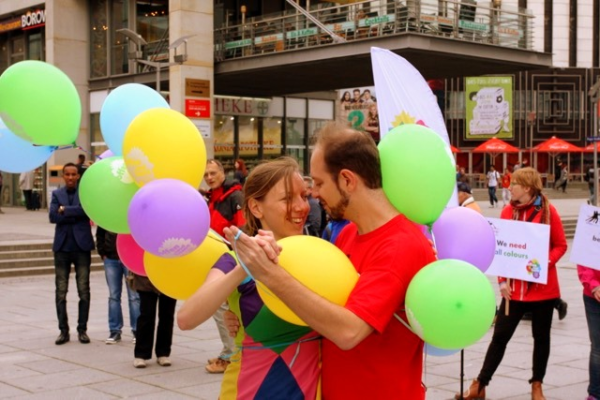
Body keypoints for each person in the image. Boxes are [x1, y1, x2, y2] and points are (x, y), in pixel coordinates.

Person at [224, 122, 436, 399]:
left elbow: (348, 331)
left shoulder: (400, 244)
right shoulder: (348, 234)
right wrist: (248, 313)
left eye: (319, 182)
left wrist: (270, 276)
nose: (313, 194)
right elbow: (317, 303)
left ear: (347, 180)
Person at [178, 157, 320, 399]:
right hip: (248, 390)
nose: (301, 207)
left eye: (304, 196)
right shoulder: (234, 260)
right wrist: (246, 266)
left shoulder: (321, 255)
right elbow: (186, 318)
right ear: (256, 207)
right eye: (287, 198)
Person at [455, 167, 567, 400]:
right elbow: (502, 249)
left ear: (526, 187)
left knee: (541, 338)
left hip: (543, 290)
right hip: (514, 291)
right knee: (500, 337)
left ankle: (537, 385)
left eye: (514, 183)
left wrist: (544, 262)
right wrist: (502, 281)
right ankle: (481, 384)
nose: (509, 187)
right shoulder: (507, 211)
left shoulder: (549, 211)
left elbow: (560, 245)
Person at [203, 159, 245, 373]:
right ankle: (229, 349)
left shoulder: (233, 196)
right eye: (206, 175)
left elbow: (243, 226)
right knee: (223, 307)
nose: (209, 177)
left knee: (222, 306)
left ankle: (231, 353)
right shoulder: (215, 197)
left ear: (222, 172)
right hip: (219, 257)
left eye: (212, 173)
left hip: (230, 257)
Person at [49, 163, 95, 345]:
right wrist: (73, 213)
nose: (70, 177)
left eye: (73, 174)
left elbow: (87, 211)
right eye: (67, 174)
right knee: (61, 291)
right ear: (63, 176)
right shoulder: (56, 194)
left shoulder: (85, 193)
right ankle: (63, 331)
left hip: (81, 247)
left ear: (78, 176)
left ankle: (82, 330)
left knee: (84, 291)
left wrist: (65, 210)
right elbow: (53, 216)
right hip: (62, 249)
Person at [96, 226, 140, 344]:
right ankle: (115, 330)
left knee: (134, 296)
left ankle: (137, 330)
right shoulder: (109, 213)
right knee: (113, 296)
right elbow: (100, 232)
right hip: (111, 258)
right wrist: (102, 252)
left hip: (129, 257)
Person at [131, 273, 176, 368]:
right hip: (145, 277)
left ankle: (163, 353)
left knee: (167, 316)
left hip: (170, 276)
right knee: (146, 315)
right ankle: (141, 354)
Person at [578, 264, 600, 400]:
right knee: (598, 347)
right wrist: (594, 285)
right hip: (594, 295)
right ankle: (595, 392)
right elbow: (583, 260)